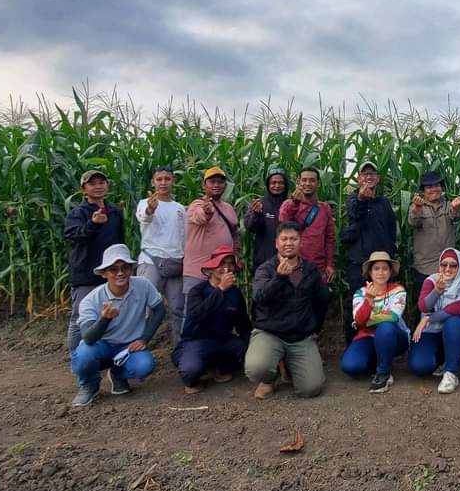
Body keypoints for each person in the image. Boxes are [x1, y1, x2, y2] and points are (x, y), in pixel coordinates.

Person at [70, 244, 165, 407]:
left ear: (131, 269)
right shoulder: (91, 300)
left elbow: (159, 309)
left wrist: (144, 338)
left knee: (145, 365)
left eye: (125, 267)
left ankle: (118, 375)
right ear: (104, 273)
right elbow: (88, 338)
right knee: (83, 355)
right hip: (101, 346)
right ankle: (89, 385)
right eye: (114, 269)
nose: (120, 273)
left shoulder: (143, 285)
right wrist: (104, 319)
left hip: (128, 347)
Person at [245, 222, 329, 400]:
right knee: (256, 368)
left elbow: (321, 301)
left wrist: (314, 329)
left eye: (293, 239)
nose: (288, 243)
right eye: (284, 239)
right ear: (276, 243)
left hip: (300, 337)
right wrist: (279, 278)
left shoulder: (310, 270)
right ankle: (269, 378)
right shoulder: (265, 269)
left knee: (311, 388)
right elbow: (260, 298)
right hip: (270, 333)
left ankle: (289, 367)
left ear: (301, 243)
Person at [63, 169, 125, 353]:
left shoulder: (114, 212)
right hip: (86, 273)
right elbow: (72, 236)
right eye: (92, 183)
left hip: (112, 273)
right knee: (79, 317)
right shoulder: (78, 213)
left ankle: (110, 358)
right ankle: (77, 358)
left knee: (113, 314)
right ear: (83, 189)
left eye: (101, 182)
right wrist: (93, 224)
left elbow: (119, 241)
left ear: (107, 186)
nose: (98, 187)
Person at [174, 246, 251, 394]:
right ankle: (195, 369)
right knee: (190, 372)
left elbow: (243, 325)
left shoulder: (235, 294)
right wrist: (220, 290)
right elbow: (196, 315)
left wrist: (251, 348)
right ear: (211, 268)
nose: (227, 268)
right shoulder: (197, 291)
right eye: (222, 264)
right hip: (196, 341)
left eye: (230, 264)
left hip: (223, 341)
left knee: (243, 349)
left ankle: (216, 367)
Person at [339, 161, 397, 344]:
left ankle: (380, 345)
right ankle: (355, 344)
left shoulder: (384, 203)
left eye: (372, 174)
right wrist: (362, 199)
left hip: (381, 266)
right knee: (357, 306)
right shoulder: (353, 199)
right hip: (358, 264)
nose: (368, 177)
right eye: (365, 174)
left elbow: (391, 230)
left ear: (378, 179)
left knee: (382, 306)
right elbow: (355, 212)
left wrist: (390, 256)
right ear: (358, 178)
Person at [341, 251, 409, 393]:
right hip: (367, 336)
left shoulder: (398, 290)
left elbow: (394, 317)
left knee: (385, 327)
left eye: (385, 268)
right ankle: (378, 360)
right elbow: (359, 320)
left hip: (395, 336)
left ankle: (384, 373)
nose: (381, 272)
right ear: (370, 273)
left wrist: (367, 320)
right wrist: (370, 301)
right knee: (351, 366)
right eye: (376, 269)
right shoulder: (360, 293)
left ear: (390, 272)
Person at [408, 248, 460, 394]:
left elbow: (456, 308)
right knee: (420, 367)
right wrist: (437, 291)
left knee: (453, 322)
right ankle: (444, 358)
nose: (448, 269)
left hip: (456, 330)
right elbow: (423, 306)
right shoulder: (431, 280)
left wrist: (427, 319)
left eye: (453, 265)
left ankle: (451, 373)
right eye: (444, 264)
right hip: (431, 331)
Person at [136, 166, 186, 345]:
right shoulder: (144, 203)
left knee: (179, 308)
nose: (163, 182)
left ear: (173, 181)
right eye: (159, 179)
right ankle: (136, 348)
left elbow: (184, 237)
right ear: (152, 182)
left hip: (175, 262)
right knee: (145, 307)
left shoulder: (180, 208)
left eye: (167, 179)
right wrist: (150, 209)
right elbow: (145, 217)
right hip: (151, 261)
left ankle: (179, 349)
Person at [183, 166, 241, 296]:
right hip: (197, 272)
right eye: (212, 182)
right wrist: (207, 212)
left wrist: (237, 256)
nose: (216, 185)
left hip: (222, 272)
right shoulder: (196, 205)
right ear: (204, 185)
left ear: (225, 186)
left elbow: (235, 234)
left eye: (220, 182)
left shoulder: (229, 208)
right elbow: (199, 217)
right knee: (195, 311)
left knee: (219, 311)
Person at [407, 170, 460, 298]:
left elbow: (455, 216)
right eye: (429, 187)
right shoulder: (417, 207)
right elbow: (413, 222)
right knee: (426, 306)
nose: (434, 189)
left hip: (448, 267)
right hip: (425, 268)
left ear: (441, 188)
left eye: (437, 186)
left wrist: (456, 208)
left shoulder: (448, 205)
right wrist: (417, 208)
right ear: (423, 190)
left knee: (447, 303)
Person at [277, 166, 336, 282]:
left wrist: (330, 264)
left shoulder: (324, 208)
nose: (308, 183)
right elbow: (283, 227)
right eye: (304, 180)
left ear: (318, 184)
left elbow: (330, 239)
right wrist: (295, 203)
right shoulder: (288, 205)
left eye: (312, 180)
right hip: (293, 266)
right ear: (298, 182)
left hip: (318, 267)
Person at [244, 166, 290, 275]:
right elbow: (250, 227)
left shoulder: (291, 205)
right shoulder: (260, 203)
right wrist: (256, 214)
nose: (277, 186)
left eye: (280, 183)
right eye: (273, 183)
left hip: (287, 259)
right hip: (264, 260)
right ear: (268, 185)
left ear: (286, 185)